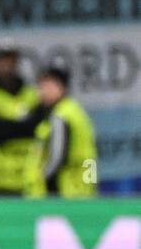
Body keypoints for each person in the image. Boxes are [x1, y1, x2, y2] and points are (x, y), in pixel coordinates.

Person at [0, 46, 43, 195]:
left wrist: (3, 124)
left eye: (11, 60)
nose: (7, 65)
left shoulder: (31, 93)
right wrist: (22, 126)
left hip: (26, 178)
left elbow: (36, 129)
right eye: (3, 60)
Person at [26, 67, 97, 198]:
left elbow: (57, 158)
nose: (42, 92)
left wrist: (42, 179)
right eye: (40, 87)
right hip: (82, 188)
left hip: (65, 190)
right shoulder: (75, 111)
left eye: (46, 87)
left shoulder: (60, 115)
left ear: (60, 87)